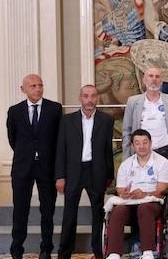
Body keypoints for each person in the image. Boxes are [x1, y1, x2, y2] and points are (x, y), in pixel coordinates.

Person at [55, 85, 115, 259]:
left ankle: (98, 251)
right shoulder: (67, 120)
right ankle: (64, 253)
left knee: (98, 213)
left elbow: (107, 150)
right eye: (86, 96)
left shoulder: (106, 120)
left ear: (97, 98)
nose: (89, 100)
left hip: (96, 171)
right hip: (73, 172)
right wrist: (60, 175)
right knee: (69, 213)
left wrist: (109, 174)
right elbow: (61, 149)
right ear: (80, 98)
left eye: (93, 96)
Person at [6, 74, 63, 259]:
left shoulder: (54, 109)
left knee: (47, 211)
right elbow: (13, 139)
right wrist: (29, 154)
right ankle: (16, 250)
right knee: (20, 210)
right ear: (23, 89)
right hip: (23, 168)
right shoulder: (14, 111)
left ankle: (46, 249)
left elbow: (58, 140)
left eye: (40, 85)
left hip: (47, 168)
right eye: (33, 86)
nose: (37, 89)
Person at [105, 129, 168, 259]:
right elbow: (120, 189)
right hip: (130, 203)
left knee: (144, 208)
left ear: (150, 143)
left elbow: (161, 190)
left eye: (144, 142)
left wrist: (145, 193)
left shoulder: (162, 163)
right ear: (132, 146)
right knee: (118, 210)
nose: (141, 146)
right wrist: (124, 193)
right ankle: (113, 253)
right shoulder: (126, 165)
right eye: (137, 143)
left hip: (152, 203)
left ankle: (148, 252)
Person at [122, 67, 168, 168]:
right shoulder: (133, 102)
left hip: (165, 152)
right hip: (140, 152)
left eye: (157, 76)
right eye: (150, 76)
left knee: (163, 184)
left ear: (161, 80)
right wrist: (126, 158)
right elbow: (126, 131)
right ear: (144, 79)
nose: (154, 79)